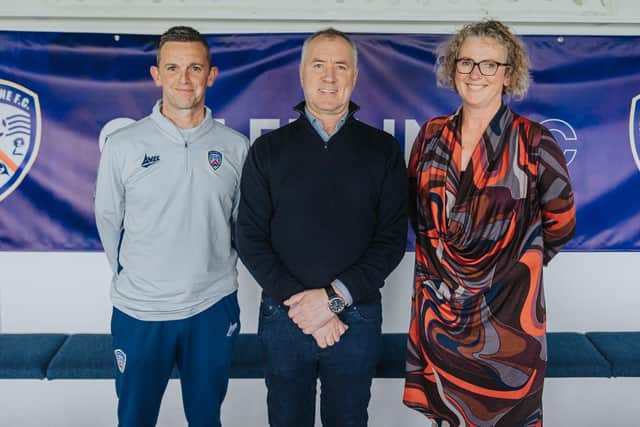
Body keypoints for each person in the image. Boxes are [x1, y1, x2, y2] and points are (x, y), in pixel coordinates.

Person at [403, 20, 576, 426]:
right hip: (440, 318)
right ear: (452, 69)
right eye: (466, 63)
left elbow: (561, 223)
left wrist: (515, 263)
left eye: (488, 65)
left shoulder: (534, 141)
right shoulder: (430, 136)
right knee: (449, 418)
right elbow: (417, 213)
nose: (475, 74)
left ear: (508, 73)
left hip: (509, 324)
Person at [237, 28, 408, 427]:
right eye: (319, 65)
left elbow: (390, 242)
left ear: (354, 76)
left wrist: (332, 301)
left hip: (357, 317)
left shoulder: (383, 151)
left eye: (340, 66)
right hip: (284, 317)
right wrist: (305, 307)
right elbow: (249, 237)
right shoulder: (268, 150)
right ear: (302, 74)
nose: (329, 76)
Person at [94, 26, 249, 427]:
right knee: (134, 419)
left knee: (205, 419)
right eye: (173, 67)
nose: (184, 79)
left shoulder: (235, 147)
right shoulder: (124, 145)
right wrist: (140, 277)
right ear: (156, 74)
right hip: (141, 311)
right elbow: (109, 220)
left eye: (195, 68)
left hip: (212, 307)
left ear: (211, 75)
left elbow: (241, 225)